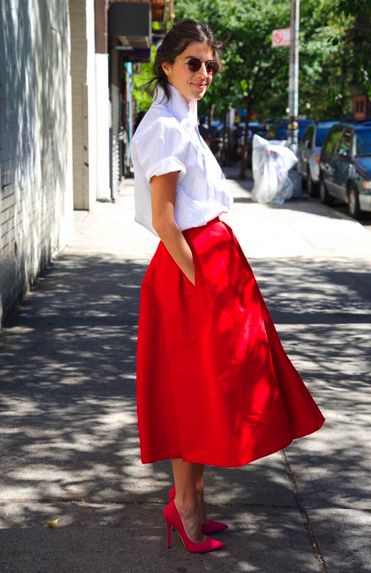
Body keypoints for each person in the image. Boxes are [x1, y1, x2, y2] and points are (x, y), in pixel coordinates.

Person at [130, 19, 325, 555]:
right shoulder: (166, 128)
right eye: (193, 62)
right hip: (194, 271)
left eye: (210, 64)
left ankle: (189, 501)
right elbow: (166, 219)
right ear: (166, 65)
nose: (204, 73)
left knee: (198, 393)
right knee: (198, 392)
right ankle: (187, 508)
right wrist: (202, 284)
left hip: (211, 266)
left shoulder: (182, 121)